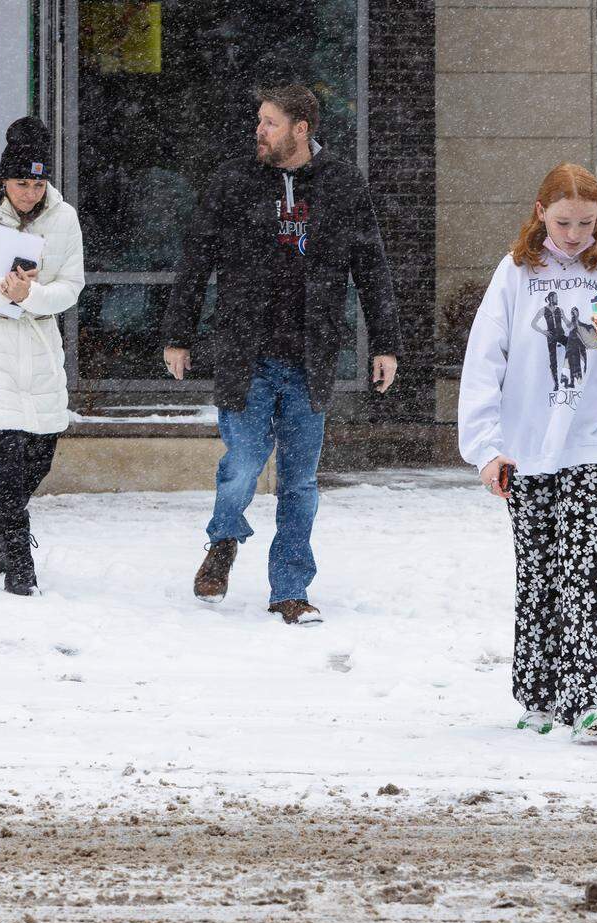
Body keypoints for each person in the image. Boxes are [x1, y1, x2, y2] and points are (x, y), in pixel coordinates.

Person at [162, 84, 399, 625]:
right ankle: (224, 539)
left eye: (269, 122)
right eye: (259, 121)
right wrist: (178, 333)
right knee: (243, 463)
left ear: (301, 128)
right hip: (245, 352)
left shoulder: (342, 185)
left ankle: (289, 590)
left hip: (310, 357)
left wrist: (385, 343)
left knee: (299, 483)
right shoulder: (234, 181)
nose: (259, 130)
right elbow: (197, 258)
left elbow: (372, 268)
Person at [458, 163, 597, 742]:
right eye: (563, 221)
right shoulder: (516, 274)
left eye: (587, 222)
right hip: (526, 450)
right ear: (539, 213)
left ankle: (593, 698)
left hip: (595, 445)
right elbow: (484, 365)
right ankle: (539, 692)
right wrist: (485, 450)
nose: (575, 235)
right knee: (539, 573)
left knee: (582, 570)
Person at [0, 118, 85, 597]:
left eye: (38, 183)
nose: (30, 193)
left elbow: (71, 285)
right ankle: (21, 562)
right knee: (10, 464)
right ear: (5, 181)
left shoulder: (63, 218)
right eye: (22, 183)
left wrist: (32, 296)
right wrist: (1, 292)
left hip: (41, 346)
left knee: (39, 458)